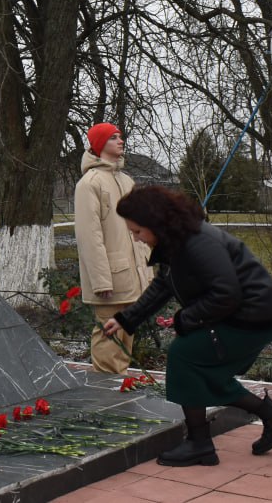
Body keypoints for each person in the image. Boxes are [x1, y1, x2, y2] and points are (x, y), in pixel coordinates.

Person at [102, 185, 272, 467]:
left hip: (255, 317)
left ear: (156, 223)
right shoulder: (176, 241)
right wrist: (126, 319)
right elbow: (164, 284)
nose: (136, 238)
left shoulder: (197, 242)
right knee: (204, 371)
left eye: (137, 231)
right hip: (244, 314)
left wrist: (185, 320)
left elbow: (226, 294)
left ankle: (200, 444)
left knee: (184, 355)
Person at [74, 123, 155, 373]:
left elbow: (140, 229)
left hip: (133, 274)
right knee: (108, 337)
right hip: (109, 278)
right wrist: (100, 281)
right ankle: (106, 394)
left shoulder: (126, 180)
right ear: (99, 145)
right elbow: (90, 236)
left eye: (120, 136)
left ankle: (120, 387)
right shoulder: (89, 183)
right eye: (113, 138)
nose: (120, 141)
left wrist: (148, 267)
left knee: (125, 334)